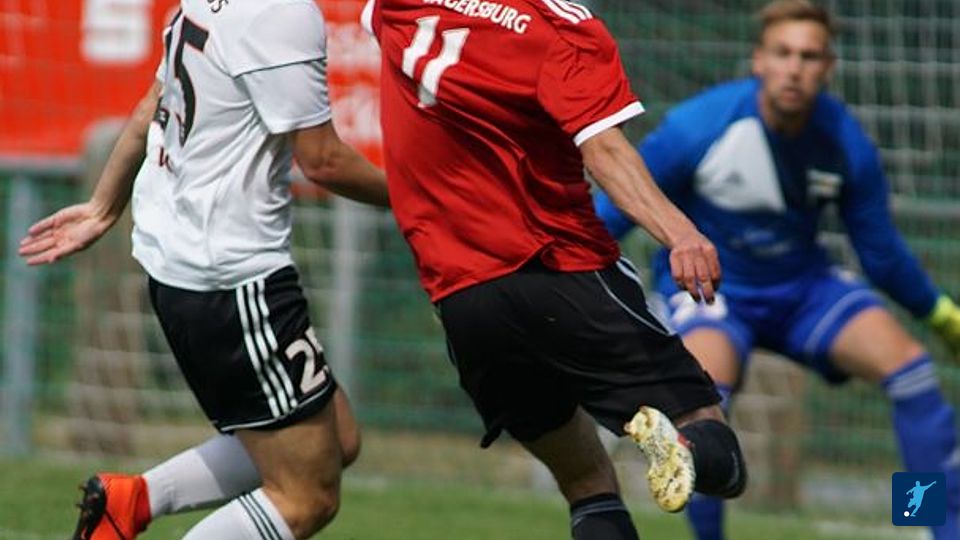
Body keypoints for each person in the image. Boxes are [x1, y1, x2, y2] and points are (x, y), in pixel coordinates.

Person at [361, 0, 747, 538]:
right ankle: (679, 444)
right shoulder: (562, 30)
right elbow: (605, 151)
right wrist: (680, 233)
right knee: (718, 451)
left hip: (464, 302)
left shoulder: (401, 6)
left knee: (586, 482)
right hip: (561, 271)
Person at [19, 0, 389, 538]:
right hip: (234, 282)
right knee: (306, 497)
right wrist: (424, 203)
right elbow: (323, 160)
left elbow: (150, 107)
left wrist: (103, 206)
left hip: (188, 268)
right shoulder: (281, 12)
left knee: (337, 438)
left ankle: (129, 503)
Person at [592, 1, 960, 539]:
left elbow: (880, 252)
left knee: (911, 373)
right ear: (758, 60)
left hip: (802, 289)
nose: (794, 68)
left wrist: (939, 313)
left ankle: (933, 525)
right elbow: (611, 213)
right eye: (783, 53)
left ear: (828, 67)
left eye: (809, 57)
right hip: (712, 294)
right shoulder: (700, 127)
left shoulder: (844, 142)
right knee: (703, 405)